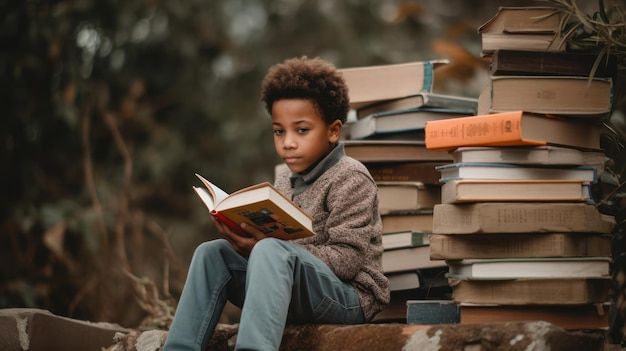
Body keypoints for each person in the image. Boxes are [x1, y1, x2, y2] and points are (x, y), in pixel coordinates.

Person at [163, 56, 390, 351]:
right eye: (279, 131)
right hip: (292, 288)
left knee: (270, 249)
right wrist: (245, 236)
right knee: (212, 253)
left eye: (302, 130)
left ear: (333, 131)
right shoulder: (284, 179)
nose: (288, 142)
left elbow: (347, 262)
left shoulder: (351, 177)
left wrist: (268, 247)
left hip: (348, 298)